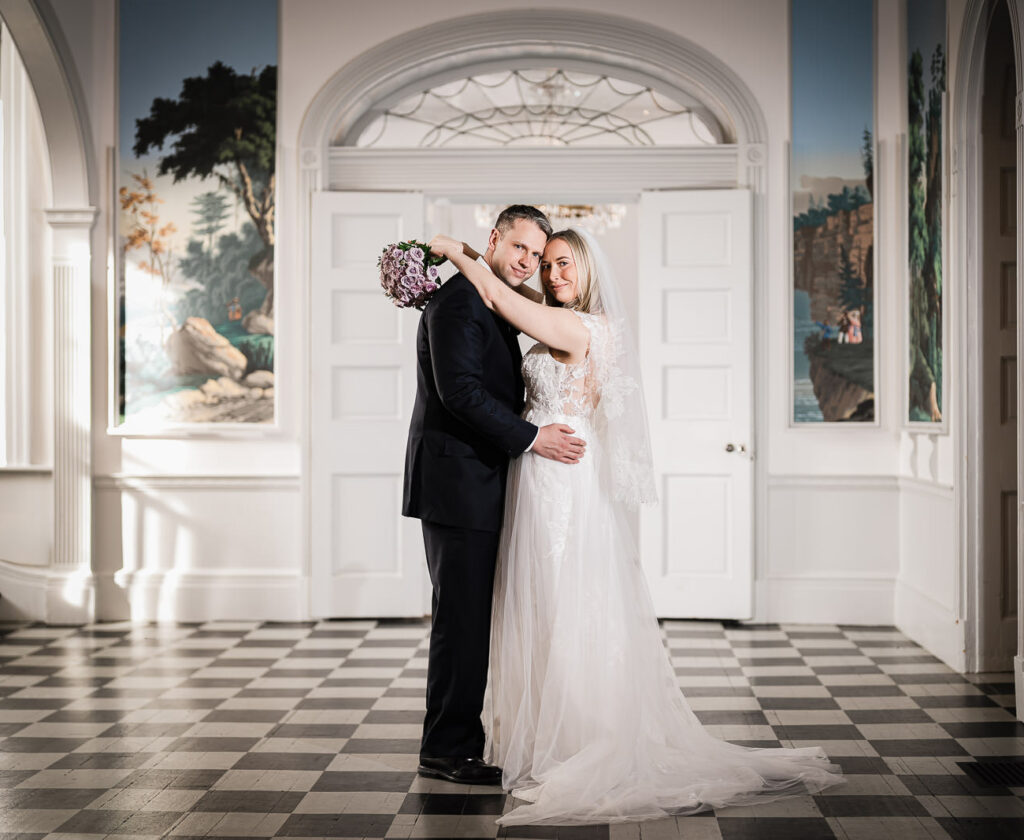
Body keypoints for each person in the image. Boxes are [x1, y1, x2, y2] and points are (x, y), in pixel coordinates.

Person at [428, 228, 844, 824]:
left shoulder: (585, 328)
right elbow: (503, 308)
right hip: (537, 474)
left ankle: (580, 739)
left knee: (566, 603)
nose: (551, 275)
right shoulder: (561, 320)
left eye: (562, 263)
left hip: (564, 478)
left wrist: (455, 251)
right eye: (545, 265)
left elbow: (498, 297)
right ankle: (545, 731)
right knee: (541, 605)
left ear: (588, 268)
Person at [402, 206, 587, 786]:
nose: (529, 263)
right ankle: (448, 749)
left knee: (472, 617)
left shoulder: (489, 299)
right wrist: (532, 437)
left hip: (482, 482)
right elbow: (458, 391)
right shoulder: (458, 303)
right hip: (457, 485)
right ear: (494, 241)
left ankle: (460, 738)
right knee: (460, 621)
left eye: (538, 255)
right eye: (521, 249)